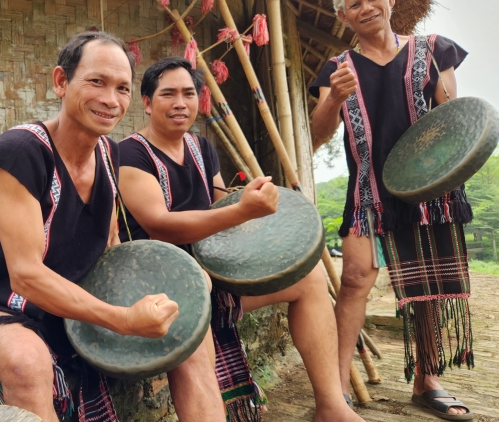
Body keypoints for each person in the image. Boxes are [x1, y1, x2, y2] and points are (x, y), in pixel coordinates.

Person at [0, 32, 225, 422]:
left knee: (187, 330)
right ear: (61, 81)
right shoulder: (18, 153)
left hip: (75, 302)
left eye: (122, 88)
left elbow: (110, 245)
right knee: (26, 362)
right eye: (97, 82)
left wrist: (180, 280)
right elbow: (26, 276)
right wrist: (123, 319)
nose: (111, 100)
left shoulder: (109, 154)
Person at [117, 56, 364, 422]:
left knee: (309, 278)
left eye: (188, 93)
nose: (180, 103)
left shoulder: (202, 149)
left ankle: (331, 406)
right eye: (168, 94)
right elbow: (159, 225)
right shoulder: (129, 153)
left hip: (210, 276)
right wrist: (241, 210)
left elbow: (222, 217)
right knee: (196, 286)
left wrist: (246, 204)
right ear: (148, 103)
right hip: (161, 284)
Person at [310, 0, 474, 420]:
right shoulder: (336, 68)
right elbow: (316, 135)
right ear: (343, 16)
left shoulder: (434, 51)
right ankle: (337, 390)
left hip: (428, 186)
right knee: (354, 277)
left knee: (428, 283)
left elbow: (455, 121)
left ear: (391, 2)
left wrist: (445, 178)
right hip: (367, 190)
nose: (365, 8)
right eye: (352, 4)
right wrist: (334, 100)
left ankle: (427, 380)